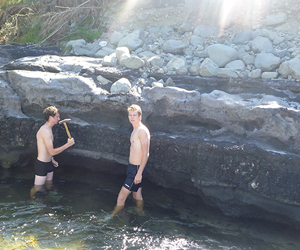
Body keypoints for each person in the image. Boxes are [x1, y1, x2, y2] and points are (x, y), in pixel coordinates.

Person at [112, 104, 150, 216]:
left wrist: (139, 174)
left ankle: (111, 217)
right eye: (130, 115)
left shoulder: (142, 131)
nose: (132, 117)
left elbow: (146, 153)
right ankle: (140, 214)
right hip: (132, 167)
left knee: (120, 198)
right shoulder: (135, 129)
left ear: (140, 116)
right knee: (136, 195)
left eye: (134, 115)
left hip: (136, 169)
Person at [30, 106, 75, 198]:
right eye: (57, 117)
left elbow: (48, 150)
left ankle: (50, 199)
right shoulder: (45, 131)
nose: (59, 119)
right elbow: (52, 151)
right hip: (41, 164)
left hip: (49, 162)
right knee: (38, 188)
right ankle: (32, 200)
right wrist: (68, 145)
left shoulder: (49, 129)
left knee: (49, 185)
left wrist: (52, 159)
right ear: (51, 117)